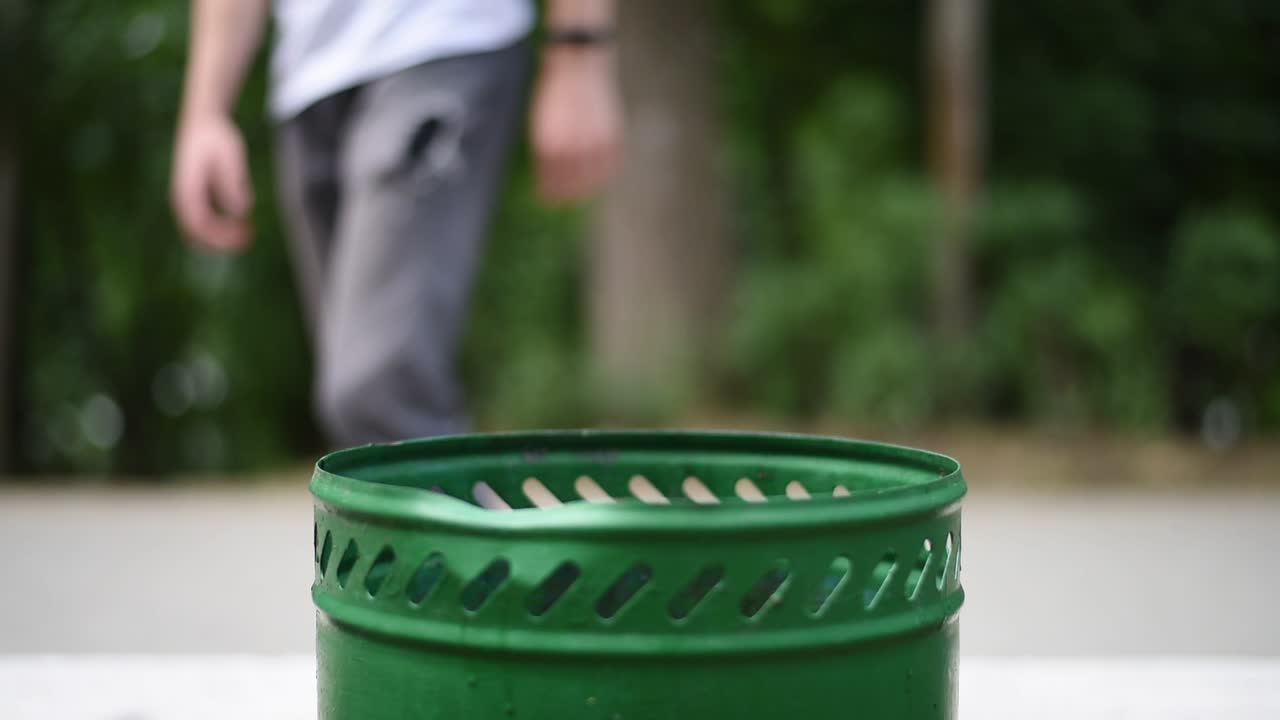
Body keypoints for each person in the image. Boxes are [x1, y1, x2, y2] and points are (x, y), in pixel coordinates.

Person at [170, 0, 622, 447]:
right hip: (309, 83)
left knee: (378, 391)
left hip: (443, 37)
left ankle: (470, 519)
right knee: (365, 433)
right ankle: (458, 513)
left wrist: (579, 48)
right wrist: (205, 111)